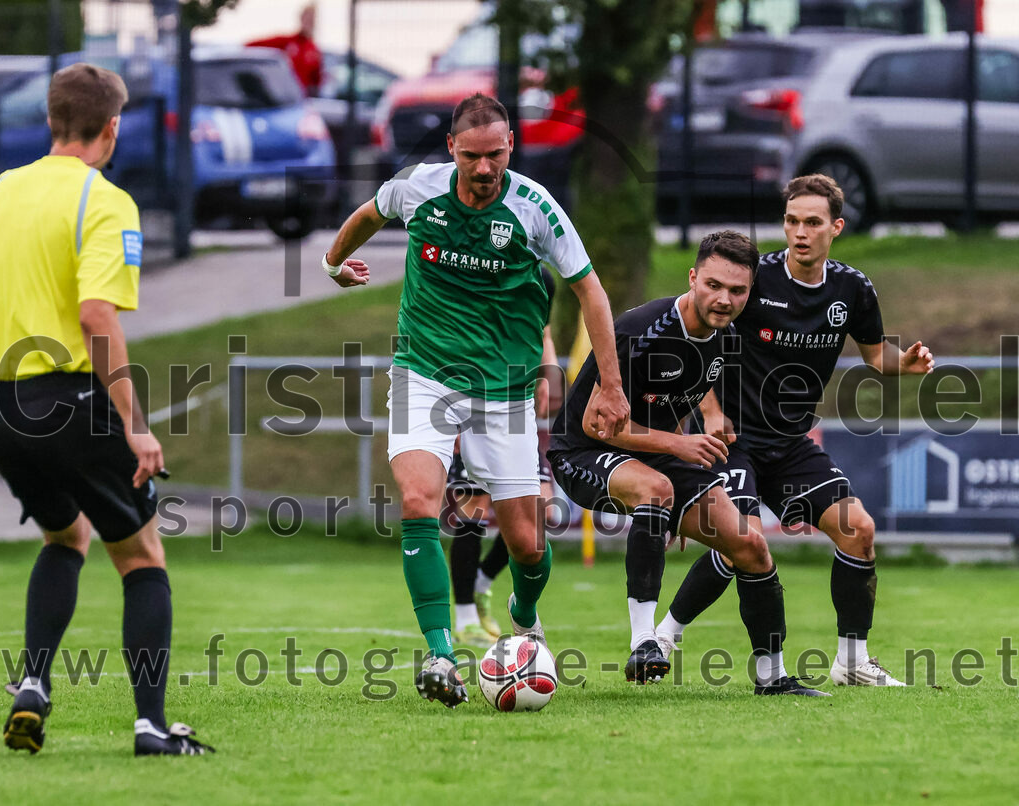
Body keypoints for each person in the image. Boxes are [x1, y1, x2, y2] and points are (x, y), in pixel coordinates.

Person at [322, 93, 629, 708]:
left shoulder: (536, 208)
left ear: (511, 147)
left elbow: (590, 293)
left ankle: (523, 609)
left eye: (495, 155)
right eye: (471, 157)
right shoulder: (419, 188)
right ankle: (440, 654)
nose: (484, 169)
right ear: (451, 152)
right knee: (418, 500)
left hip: (504, 391)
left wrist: (611, 385)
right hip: (425, 373)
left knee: (527, 543)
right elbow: (368, 212)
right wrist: (335, 262)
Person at [0, 64, 213, 756]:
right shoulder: (105, 200)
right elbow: (96, 317)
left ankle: (33, 684)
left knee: (66, 535)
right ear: (112, 127)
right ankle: (152, 726)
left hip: (2, 402)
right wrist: (136, 424)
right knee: (143, 555)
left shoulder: (3, 189)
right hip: (66, 399)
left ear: (52, 119)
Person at [658, 175, 935, 687]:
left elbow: (876, 357)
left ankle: (852, 662)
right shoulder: (753, 279)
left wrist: (907, 363)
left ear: (836, 227)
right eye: (791, 221)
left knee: (859, 530)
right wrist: (710, 412)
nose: (799, 232)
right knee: (741, 543)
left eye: (811, 222)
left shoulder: (852, 289)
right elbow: (696, 339)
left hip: (788, 445)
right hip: (733, 441)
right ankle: (664, 635)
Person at [549, 231, 826, 695]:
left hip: (654, 458)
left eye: (738, 290)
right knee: (655, 490)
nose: (724, 299)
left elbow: (672, 401)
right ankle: (645, 642)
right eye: (714, 285)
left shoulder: (725, 338)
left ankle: (772, 678)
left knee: (751, 546)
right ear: (693, 277)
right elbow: (599, 425)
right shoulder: (641, 329)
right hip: (582, 453)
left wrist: (676, 500)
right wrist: (677, 451)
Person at [447, 266, 564, 647]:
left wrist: (549, 371)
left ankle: (481, 581)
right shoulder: (476, 271)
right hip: (475, 401)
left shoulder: (543, 279)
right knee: (474, 506)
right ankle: (464, 615)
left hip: (516, 409)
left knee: (543, 512)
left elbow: (542, 329)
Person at [247, 4, 323, 96]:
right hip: (280, 96)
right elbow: (253, 45)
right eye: (307, 18)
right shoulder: (286, 41)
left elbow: (316, 82)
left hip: (299, 99)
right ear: (301, 18)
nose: (309, 22)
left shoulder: (314, 51)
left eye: (312, 19)